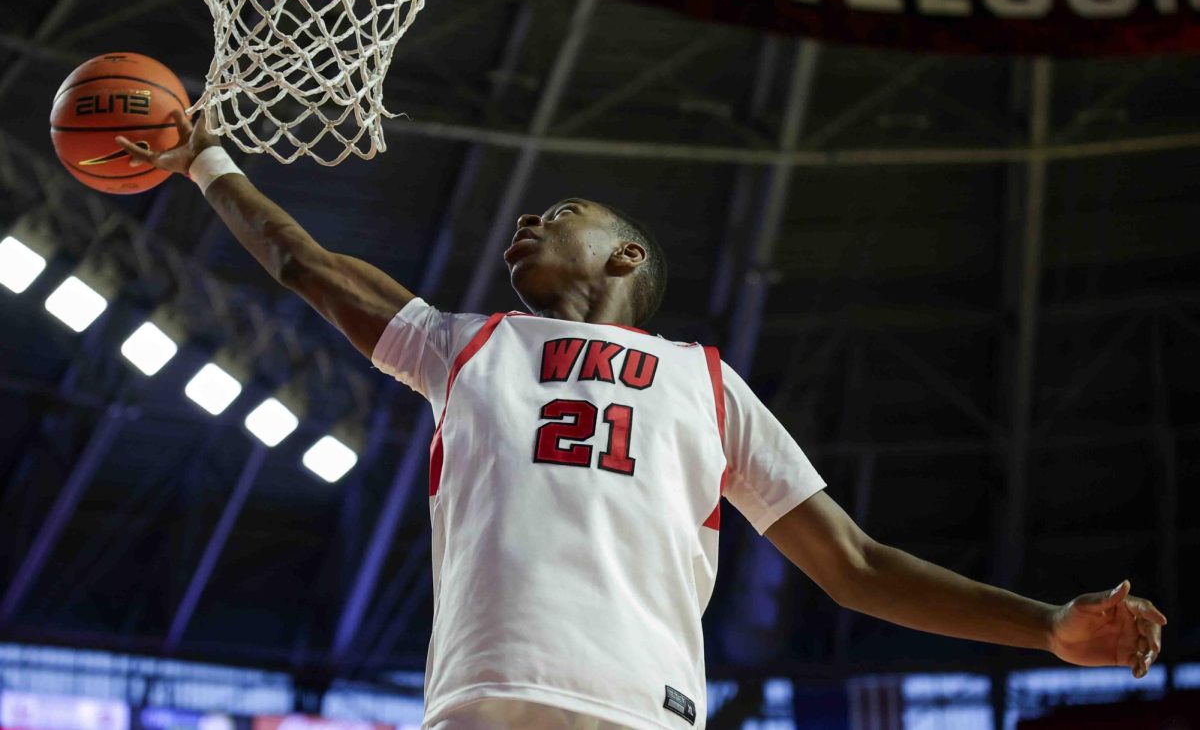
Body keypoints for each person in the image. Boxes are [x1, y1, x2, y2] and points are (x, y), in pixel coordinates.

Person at [118, 114, 1167, 730]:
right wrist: (208, 163)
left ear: (626, 260)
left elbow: (854, 564)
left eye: (559, 217)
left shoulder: (705, 381)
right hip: (481, 699)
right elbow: (307, 265)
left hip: (636, 706)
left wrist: (1042, 628)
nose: (526, 223)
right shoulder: (465, 343)